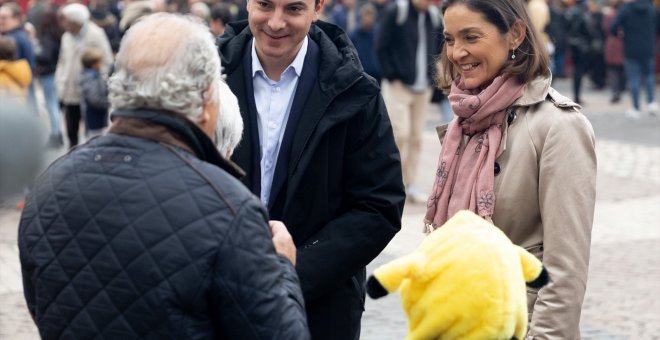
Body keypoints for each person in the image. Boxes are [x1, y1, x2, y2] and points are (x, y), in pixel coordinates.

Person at [19, 13, 309, 339]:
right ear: (205, 99)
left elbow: (42, 305)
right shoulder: (229, 207)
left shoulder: (50, 184)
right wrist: (283, 267)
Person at [217, 0, 406, 336]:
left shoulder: (355, 90)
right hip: (218, 300)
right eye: (264, 5)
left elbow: (379, 204)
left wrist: (299, 268)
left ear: (318, 7)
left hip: (319, 307)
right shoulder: (207, 80)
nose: (276, 23)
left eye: (293, 9)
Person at [428, 0, 597, 339]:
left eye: (471, 37)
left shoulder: (558, 127)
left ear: (516, 34)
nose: (458, 52)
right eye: (449, 39)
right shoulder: (466, 122)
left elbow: (565, 272)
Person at [375, 0, 444, 204]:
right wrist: (392, 74)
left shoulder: (433, 16)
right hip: (399, 87)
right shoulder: (397, 11)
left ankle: (409, 184)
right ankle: (390, 184)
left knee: (416, 138)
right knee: (399, 134)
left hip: (423, 88)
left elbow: (440, 47)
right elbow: (381, 45)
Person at [55, 3, 113, 148]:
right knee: (71, 127)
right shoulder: (66, 37)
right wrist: (60, 80)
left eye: (65, 20)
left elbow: (107, 60)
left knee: (92, 130)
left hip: (89, 91)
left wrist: (98, 80)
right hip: (69, 90)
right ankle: (72, 151)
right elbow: (62, 61)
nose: (63, 24)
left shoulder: (96, 34)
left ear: (74, 22)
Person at [610, 0, 658, 119]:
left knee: (634, 78)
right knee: (649, 75)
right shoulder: (652, 9)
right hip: (648, 48)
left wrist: (620, 35)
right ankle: (651, 102)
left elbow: (613, 27)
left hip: (631, 48)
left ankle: (636, 108)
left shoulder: (626, 9)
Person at [79, 47, 109, 138]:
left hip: (99, 113)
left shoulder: (97, 75)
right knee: (95, 138)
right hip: (93, 114)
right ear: (92, 64)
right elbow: (94, 99)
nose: (100, 65)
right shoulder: (90, 79)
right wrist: (107, 103)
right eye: (98, 62)